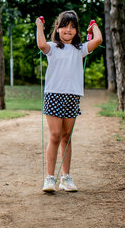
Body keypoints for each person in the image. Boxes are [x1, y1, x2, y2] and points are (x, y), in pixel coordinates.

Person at [36, 10, 102, 192]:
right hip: (54, 95)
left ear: (77, 31)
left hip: (72, 96)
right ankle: (50, 178)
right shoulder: (52, 47)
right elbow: (41, 44)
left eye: (72, 27)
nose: (68, 30)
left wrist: (94, 26)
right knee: (55, 136)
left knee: (67, 137)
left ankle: (66, 178)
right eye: (64, 26)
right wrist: (39, 26)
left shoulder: (79, 49)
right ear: (57, 29)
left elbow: (98, 40)